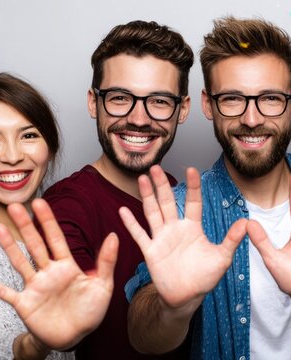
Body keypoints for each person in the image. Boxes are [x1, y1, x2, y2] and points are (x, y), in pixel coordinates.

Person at [123, 17, 291, 359]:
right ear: (209, 105)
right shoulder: (181, 210)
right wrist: (172, 306)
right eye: (233, 99)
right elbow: (144, 337)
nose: (252, 119)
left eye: (269, 98)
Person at [37, 20, 193, 359]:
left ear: (183, 110)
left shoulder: (182, 198)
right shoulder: (65, 207)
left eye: (159, 101)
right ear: (94, 103)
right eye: (120, 98)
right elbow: (69, 327)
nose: (138, 118)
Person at [0, 73, 116, 359]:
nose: (12, 155)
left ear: (51, 147)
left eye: (29, 135)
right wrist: (34, 344)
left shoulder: (47, 235)